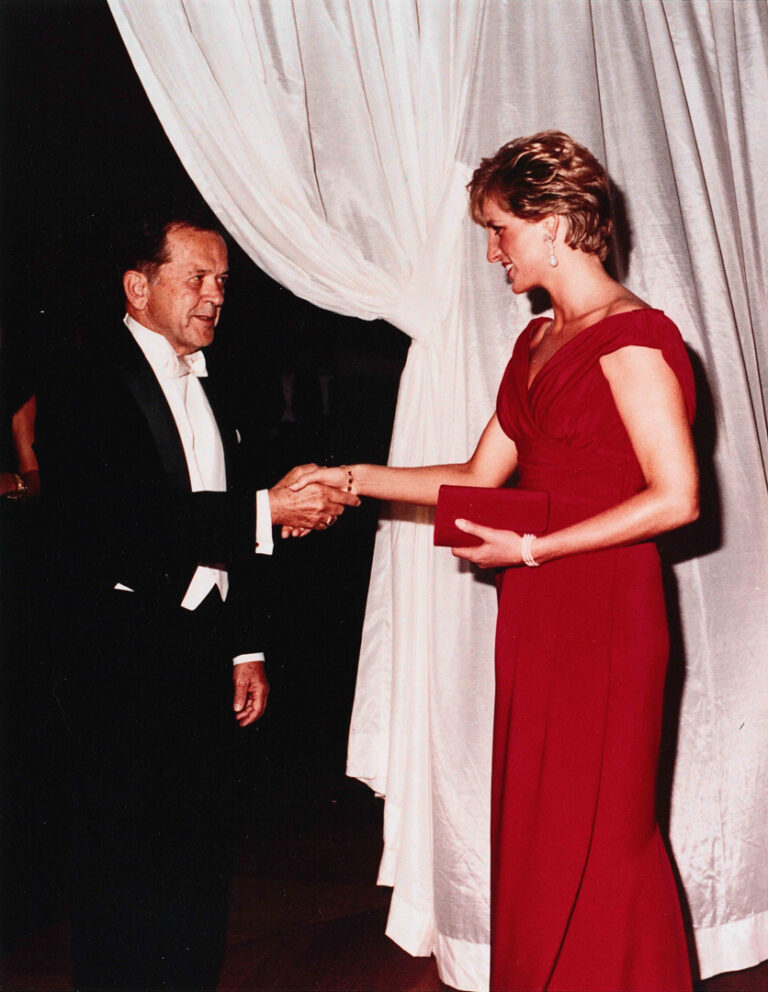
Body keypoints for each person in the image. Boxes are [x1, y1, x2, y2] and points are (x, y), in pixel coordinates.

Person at [291, 131, 698, 991]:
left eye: (499, 228)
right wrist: (351, 478)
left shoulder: (635, 339)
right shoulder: (537, 343)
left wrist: (534, 547)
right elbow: (478, 477)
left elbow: (677, 497)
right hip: (540, 611)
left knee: (609, 842)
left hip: (608, 615)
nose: (491, 250)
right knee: (541, 832)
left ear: (551, 224)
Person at [34, 210, 359, 991]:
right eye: (198, 279)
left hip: (202, 656)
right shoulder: (83, 381)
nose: (216, 296)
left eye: (222, 282)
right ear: (138, 287)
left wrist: (245, 646)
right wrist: (266, 511)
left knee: (197, 857)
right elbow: (123, 522)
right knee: (123, 869)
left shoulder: (222, 377)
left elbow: (223, 524)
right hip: (118, 659)